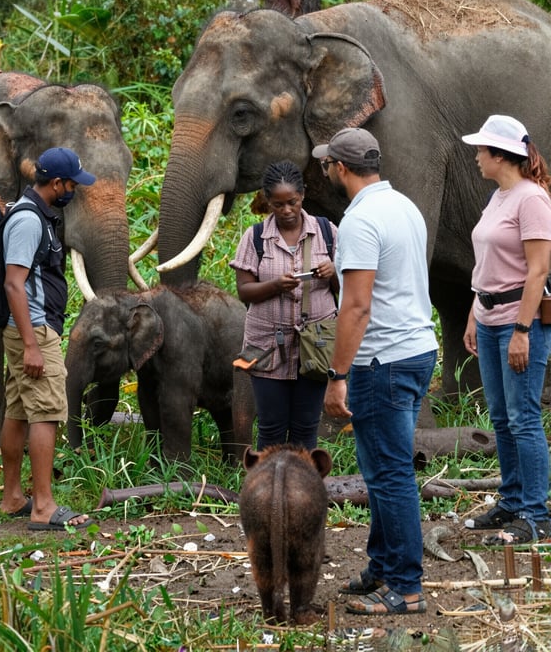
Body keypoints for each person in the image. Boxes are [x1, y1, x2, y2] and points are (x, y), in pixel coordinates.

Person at [314, 127, 437, 616]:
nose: (326, 170)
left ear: (341, 168)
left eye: (327, 164)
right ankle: (383, 566)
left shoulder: (360, 220)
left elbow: (357, 307)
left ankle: (405, 588)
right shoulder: (404, 206)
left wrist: (337, 374)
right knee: (384, 468)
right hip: (418, 349)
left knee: (389, 474)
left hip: (381, 359)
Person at [461, 115, 551, 545]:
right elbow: (487, 264)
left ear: (500, 155)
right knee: (500, 416)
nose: (477, 157)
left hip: (519, 321)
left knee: (523, 417)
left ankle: (537, 513)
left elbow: (538, 271)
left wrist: (522, 331)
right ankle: (512, 501)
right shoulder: (497, 197)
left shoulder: (531, 199)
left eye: (481, 150)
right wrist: (473, 314)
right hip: (489, 318)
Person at [0, 147, 95, 531]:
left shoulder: (34, 214)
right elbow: (14, 283)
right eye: (72, 184)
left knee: (18, 410)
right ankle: (43, 505)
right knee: (48, 411)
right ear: (56, 183)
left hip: (29, 327)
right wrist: (32, 345)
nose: (74, 190)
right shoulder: (29, 220)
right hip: (34, 328)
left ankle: (12, 497)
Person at [230, 160, 338, 451]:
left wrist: (333, 272)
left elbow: (347, 289)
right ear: (267, 202)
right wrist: (275, 285)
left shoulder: (327, 232)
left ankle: (304, 479)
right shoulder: (255, 238)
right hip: (267, 348)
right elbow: (244, 291)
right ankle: (269, 480)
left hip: (315, 347)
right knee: (271, 428)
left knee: (306, 427)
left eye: (292, 202)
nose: (287, 210)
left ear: (303, 195)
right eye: (278, 205)